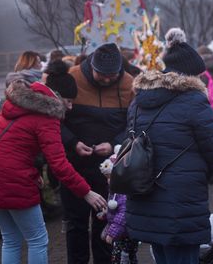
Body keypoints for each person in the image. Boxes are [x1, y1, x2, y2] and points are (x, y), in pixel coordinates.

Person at [125, 28, 213, 264]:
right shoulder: (193, 101)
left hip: (144, 196)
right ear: (191, 74)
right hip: (180, 203)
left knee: (161, 256)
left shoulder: (138, 100)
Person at [0, 77, 107, 264]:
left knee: (11, 239)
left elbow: (11, 148)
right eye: (68, 101)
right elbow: (59, 165)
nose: (70, 107)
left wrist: (33, 171)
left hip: (4, 177)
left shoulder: (11, 109)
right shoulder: (46, 118)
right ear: (56, 99)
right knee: (38, 240)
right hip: (15, 182)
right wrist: (86, 192)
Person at [61, 42, 134, 263]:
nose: (106, 79)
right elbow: (53, 120)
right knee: (76, 223)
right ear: (91, 66)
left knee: (107, 222)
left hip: (110, 169)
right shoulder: (71, 77)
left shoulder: (129, 83)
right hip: (75, 165)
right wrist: (73, 142)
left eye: (111, 75)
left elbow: (133, 124)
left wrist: (114, 144)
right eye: (101, 74)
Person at [98, 152, 138, 264]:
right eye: (107, 178)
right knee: (121, 257)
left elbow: (122, 215)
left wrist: (112, 233)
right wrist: (106, 213)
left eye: (111, 177)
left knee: (122, 257)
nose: (108, 181)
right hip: (121, 234)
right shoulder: (114, 190)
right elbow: (114, 209)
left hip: (126, 233)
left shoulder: (123, 193)